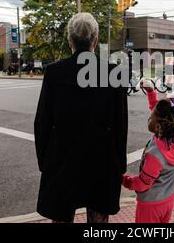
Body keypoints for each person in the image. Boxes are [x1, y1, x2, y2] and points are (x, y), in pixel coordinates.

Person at [34, 13, 128, 223]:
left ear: (70, 41)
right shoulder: (113, 73)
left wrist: (45, 161)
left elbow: (42, 123)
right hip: (102, 161)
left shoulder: (54, 72)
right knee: (98, 221)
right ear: (95, 40)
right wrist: (119, 165)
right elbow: (121, 125)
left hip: (62, 160)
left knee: (61, 214)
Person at [122, 81, 174, 223]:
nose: (149, 117)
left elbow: (142, 184)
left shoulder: (155, 155)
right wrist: (151, 93)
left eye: (150, 117)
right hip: (168, 199)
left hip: (151, 204)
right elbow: (159, 112)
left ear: (158, 127)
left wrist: (124, 180)